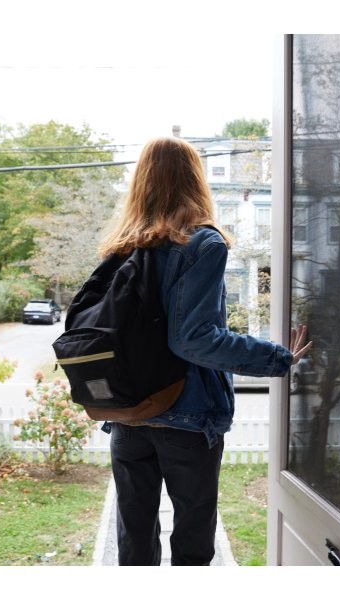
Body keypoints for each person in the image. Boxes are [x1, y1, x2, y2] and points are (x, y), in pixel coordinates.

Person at [98, 136, 312, 566]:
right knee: (193, 542)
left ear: (141, 182)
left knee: (133, 539)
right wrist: (276, 358)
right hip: (187, 416)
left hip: (128, 413)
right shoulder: (202, 244)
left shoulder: (122, 247)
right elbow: (193, 338)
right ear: (195, 180)